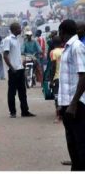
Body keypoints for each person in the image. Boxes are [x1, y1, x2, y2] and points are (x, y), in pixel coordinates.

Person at [57, 19, 85, 170]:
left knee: (80, 143)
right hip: (68, 104)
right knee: (72, 142)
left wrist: (74, 103)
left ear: (62, 32)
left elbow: (83, 76)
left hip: (77, 104)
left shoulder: (77, 47)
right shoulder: (67, 48)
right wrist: (62, 105)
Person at [2, 22, 36, 118]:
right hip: (13, 70)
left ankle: (25, 111)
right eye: (19, 28)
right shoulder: (8, 40)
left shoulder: (17, 39)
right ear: (14, 29)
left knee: (22, 92)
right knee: (12, 92)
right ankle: (12, 112)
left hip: (20, 69)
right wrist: (12, 68)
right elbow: (5, 55)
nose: (20, 30)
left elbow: (16, 55)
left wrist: (22, 64)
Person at [49, 36, 63, 123]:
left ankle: (58, 116)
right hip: (65, 77)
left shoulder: (53, 52)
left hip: (57, 77)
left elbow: (53, 67)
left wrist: (51, 80)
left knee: (57, 97)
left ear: (53, 44)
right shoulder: (65, 50)